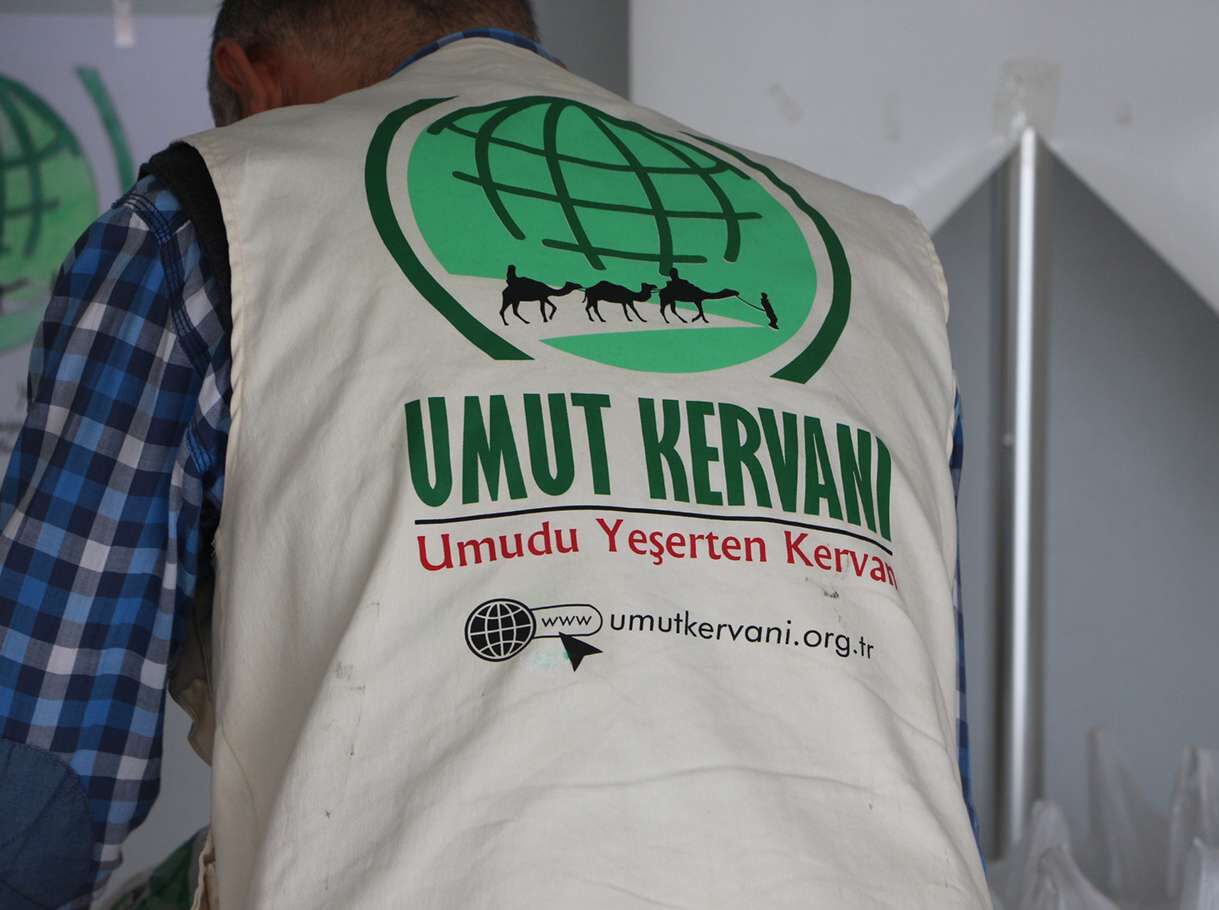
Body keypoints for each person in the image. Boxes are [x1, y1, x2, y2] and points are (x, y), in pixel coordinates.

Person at [0, 2, 986, 907]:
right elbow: (926, 744)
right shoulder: (884, 260)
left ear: (248, 82)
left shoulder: (200, 220)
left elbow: (39, 778)